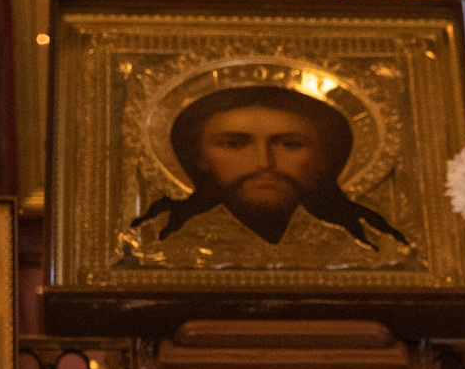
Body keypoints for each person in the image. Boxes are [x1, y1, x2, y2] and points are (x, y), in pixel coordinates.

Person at [128, 84, 410, 268]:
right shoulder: (156, 245)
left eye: (289, 144)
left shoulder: (373, 248)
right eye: (234, 143)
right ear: (198, 157)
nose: (265, 163)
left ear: (324, 158)